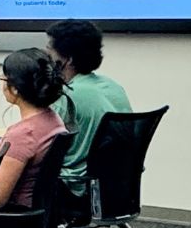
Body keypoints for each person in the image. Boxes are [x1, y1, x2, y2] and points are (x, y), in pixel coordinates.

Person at [47, 20, 131, 211]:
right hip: (116, 190)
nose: (46, 56)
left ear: (66, 59)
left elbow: (40, 147)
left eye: (49, 49)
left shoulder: (67, 97)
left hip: (75, 191)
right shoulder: (112, 87)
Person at [0, 48, 68, 210]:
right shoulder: (53, 120)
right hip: (37, 215)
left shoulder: (23, 134)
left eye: (4, 78)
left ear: (15, 88)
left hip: (11, 217)